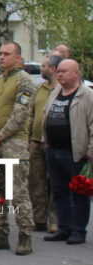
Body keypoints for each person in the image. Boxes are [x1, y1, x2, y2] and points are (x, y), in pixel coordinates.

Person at [0, 41, 36, 255]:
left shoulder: (25, 80)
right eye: (0, 53)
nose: (2, 57)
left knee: (18, 191)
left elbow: (21, 113)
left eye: (7, 54)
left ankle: (25, 235)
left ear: (18, 58)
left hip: (14, 144)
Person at [42, 58, 93, 245]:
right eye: (59, 71)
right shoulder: (56, 92)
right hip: (53, 150)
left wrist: (91, 151)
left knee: (79, 192)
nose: (60, 74)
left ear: (76, 73)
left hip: (75, 152)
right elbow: (46, 116)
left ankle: (79, 230)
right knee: (58, 191)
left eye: (64, 71)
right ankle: (64, 227)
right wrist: (44, 141)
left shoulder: (87, 95)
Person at [30, 54, 60, 233]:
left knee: (54, 182)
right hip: (35, 141)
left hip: (53, 142)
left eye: (45, 66)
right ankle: (39, 218)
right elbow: (32, 114)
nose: (42, 69)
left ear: (53, 69)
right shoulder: (39, 88)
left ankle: (54, 220)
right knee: (35, 181)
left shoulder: (62, 90)